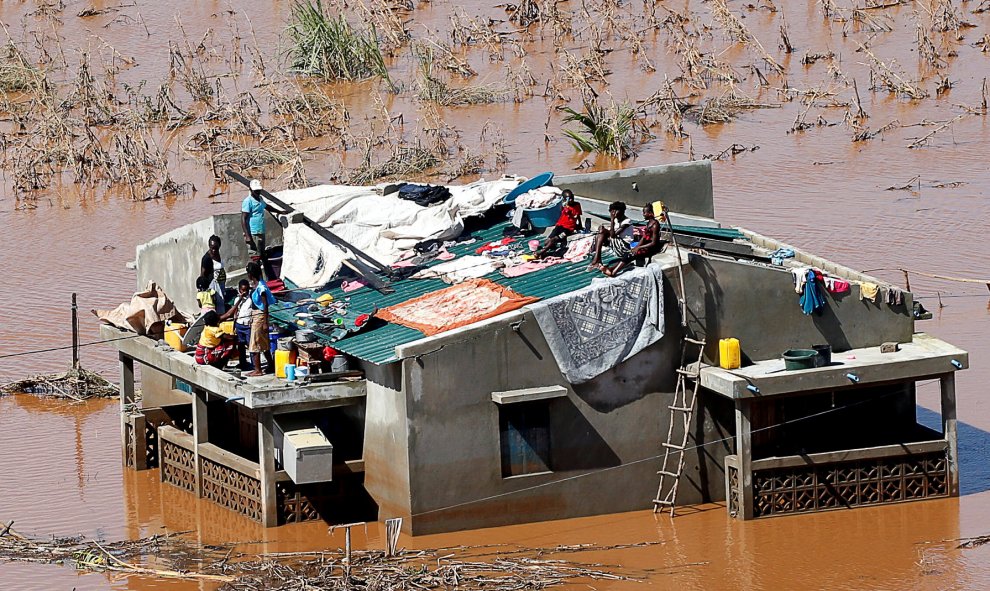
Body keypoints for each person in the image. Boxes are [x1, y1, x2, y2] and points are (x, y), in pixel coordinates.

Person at [603, 204, 667, 276]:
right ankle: (612, 269)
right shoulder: (649, 223)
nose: (643, 215)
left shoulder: (655, 225)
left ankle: (613, 272)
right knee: (629, 253)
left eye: (644, 213)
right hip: (645, 246)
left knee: (631, 255)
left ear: (650, 213)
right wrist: (636, 247)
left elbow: (653, 243)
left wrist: (639, 247)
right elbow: (643, 238)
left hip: (651, 248)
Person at [245, 262, 275, 377]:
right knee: (264, 342)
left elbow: (265, 304)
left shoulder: (261, 287)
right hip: (256, 314)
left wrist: (265, 323)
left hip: (260, 316)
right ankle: (270, 364)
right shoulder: (257, 284)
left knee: (255, 342)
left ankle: (258, 370)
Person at [535, 189, 583, 259]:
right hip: (559, 226)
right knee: (548, 241)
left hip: (568, 229)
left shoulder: (577, 205)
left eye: (571, 198)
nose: (570, 200)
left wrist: (580, 225)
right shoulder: (564, 207)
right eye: (568, 199)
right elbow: (566, 211)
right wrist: (566, 206)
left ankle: (541, 252)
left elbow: (578, 215)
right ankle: (546, 251)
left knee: (554, 239)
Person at [587, 201, 633, 271]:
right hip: (617, 243)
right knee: (599, 235)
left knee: (601, 234)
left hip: (624, 247)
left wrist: (612, 219)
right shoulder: (617, 220)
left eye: (616, 211)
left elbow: (613, 235)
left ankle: (597, 259)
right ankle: (597, 259)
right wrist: (603, 230)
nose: (614, 213)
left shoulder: (627, 221)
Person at [242, 179, 272, 280]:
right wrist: (247, 235)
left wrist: (281, 211)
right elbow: (243, 219)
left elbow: (267, 207)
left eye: (259, 190)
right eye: (256, 191)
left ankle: (263, 280)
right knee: (255, 258)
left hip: (260, 231)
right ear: (251, 190)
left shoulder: (260, 199)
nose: (258, 192)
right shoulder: (248, 201)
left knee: (262, 255)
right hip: (253, 233)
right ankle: (256, 280)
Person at [226, 279, 253, 370]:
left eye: (246, 290)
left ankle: (254, 364)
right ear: (239, 290)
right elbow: (235, 312)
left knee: (250, 344)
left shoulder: (250, 300)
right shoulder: (237, 299)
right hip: (239, 324)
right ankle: (243, 363)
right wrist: (234, 324)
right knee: (241, 345)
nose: (244, 292)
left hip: (247, 325)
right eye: (242, 290)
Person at [200, 235, 227, 314]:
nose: (214, 250)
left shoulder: (218, 254)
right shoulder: (206, 258)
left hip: (221, 284)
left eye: (216, 248)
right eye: (212, 248)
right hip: (213, 287)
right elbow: (202, 275)